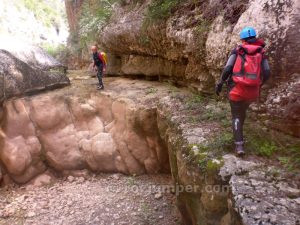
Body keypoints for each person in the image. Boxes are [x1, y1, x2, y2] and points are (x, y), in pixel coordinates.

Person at [215, 27, 271, 156]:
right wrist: (259, 85)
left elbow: (228, 68)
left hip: (237, 90)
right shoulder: (261, 52)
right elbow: (267, 72)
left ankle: (239, 146)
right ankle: (240, 136)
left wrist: (220, 82)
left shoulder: (238, 50)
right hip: (252, 92)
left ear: (243, 39)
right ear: (255, 38)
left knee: (236, 115)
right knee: (242, 112)